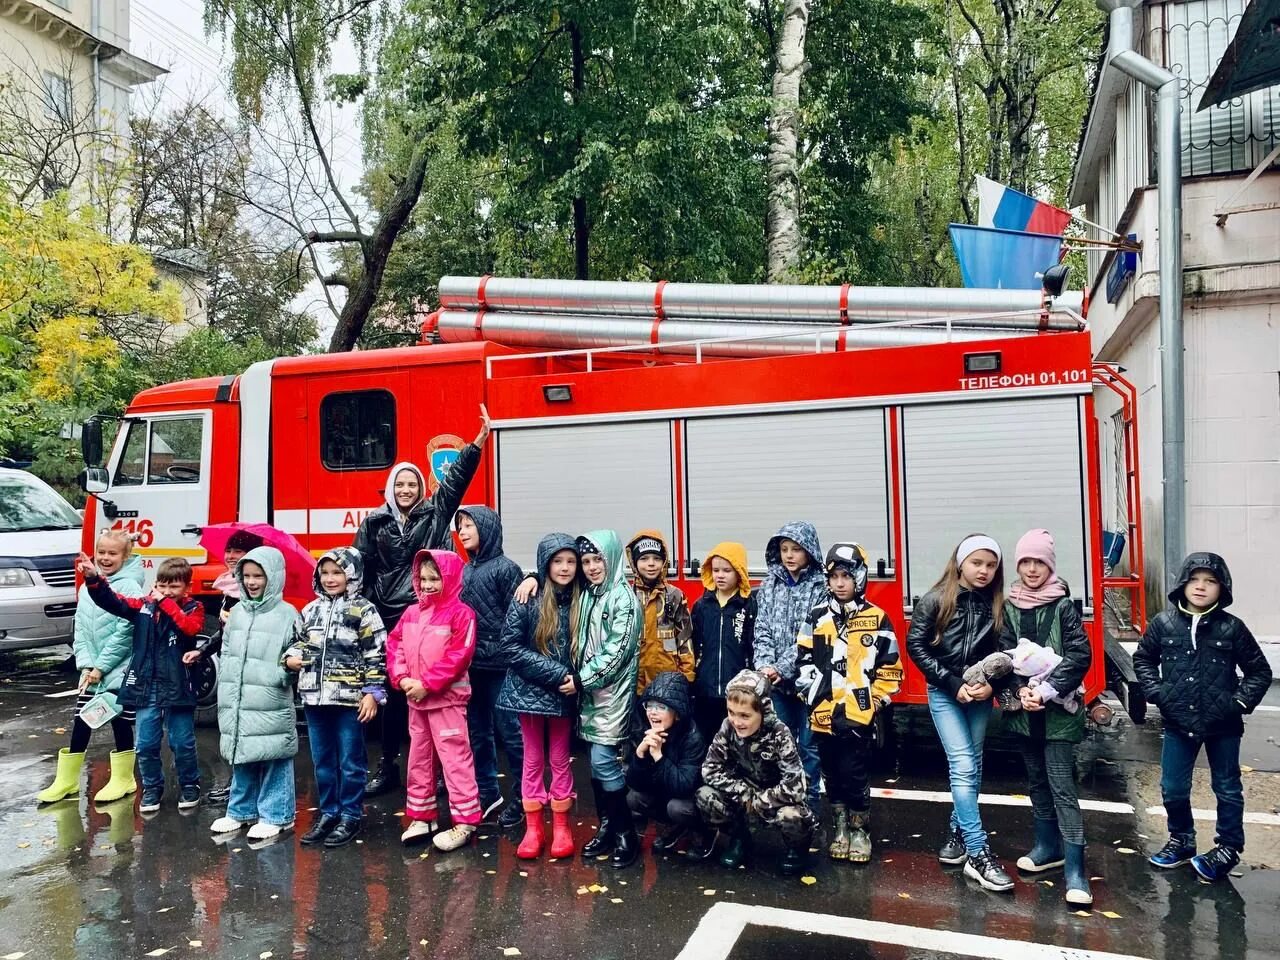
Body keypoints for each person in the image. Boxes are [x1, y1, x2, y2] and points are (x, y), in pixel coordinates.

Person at [352, 406, 491, 797]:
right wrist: (362, 612)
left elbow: (457, 480)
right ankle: (389, 765)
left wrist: (477, 443)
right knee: (394, 698)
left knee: (435, 692)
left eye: (412, 484)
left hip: (430, 614)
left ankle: (443, 771)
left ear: (421, 488)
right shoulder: (373, 523)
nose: (406, 491)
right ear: (390, 489)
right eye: (400, 486)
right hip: (387, 616)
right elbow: (359, 566)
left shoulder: (436, 511)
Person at [1134, 551, 1272, 882]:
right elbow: (1143, 660)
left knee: (1226, 787)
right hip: (1178, 723)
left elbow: (1259, 671)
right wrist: (1158, 694)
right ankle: (1181, 840)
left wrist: (1237, 703)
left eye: (1210, 581)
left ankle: (1228, 848)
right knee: (1172, 788)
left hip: (1223, 725)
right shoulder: (1163, 624)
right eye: (1194, 579)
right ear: (1182, 584)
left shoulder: (1232, 628)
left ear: (1221, 589)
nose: (1200, 586)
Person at [905, 533, 1013, 892]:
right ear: (960, 563)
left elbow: (1007, 655)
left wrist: (991, 687)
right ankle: (979, 853)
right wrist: (953, 684)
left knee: (975, 764)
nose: (984, 571)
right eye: (976, 563)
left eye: (991, 564)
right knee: (964, 765)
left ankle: (957, 832)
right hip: (945, 692)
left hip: (980, 693)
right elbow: (916, 646)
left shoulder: (999, 605)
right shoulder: (937, 599)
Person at [998, 529, 1094, 904]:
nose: (1032, 569)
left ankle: (1075, 869)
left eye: (1039, 562)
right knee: (1036, 782)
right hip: (1024, 714)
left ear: (1050, 566)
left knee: (1062, 787)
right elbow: (1004, 656)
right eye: (1025, 562)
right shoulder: (1009, 607)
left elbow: (1079, 656)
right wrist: (1019, 692)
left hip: (1058, 715)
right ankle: (1046, 847)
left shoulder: (1063, 607)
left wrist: (1046, 690)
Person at [796, 543, 902, 864]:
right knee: (832, 775)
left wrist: (873, 704)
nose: (840, 583)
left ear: (860, 578)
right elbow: (802, 662)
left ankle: (860, 831)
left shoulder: (877, 618)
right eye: (834, 577)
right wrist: (814, 698)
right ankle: (839, 827)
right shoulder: (816, 617)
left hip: (858, 717)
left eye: (847, 576)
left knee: (855, 775)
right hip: (824, 715)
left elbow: (890, 668)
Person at [77, 554, 205, 814]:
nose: (166, 592)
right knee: (145, 743)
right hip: (146, 685)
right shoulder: (144, 606)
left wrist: (166, 603)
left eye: (174, 587)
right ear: (154, 583)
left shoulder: (194, 608)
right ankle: (151, 787)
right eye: (161, 586)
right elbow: (114, 602)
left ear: (187, 588)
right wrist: (94, 578)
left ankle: (190, 784)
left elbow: (189, 628)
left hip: (178, 685)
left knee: (182, 742)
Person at [285, 547, 387, 848]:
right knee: (323, 761)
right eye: (325, 573)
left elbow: (376, 654)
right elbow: (299, 644)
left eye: (337, 572)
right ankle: (329, 812)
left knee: (350, 760)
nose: (330, 579)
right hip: (315, 699)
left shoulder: (364, 610)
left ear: (351, 574)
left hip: (348, 700)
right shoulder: (310, 610)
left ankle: (350, 815)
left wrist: (372, 692)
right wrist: (290, 658)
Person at [38, 529, 145, 805]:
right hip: (93, 671)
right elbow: (82, 630)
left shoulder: (130, 588)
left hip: (120, 670)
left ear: (126, 556)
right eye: (102, 552)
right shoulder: (88, 587)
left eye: (112, 553)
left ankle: (124, 779)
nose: (105, 558)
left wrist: (101, 666)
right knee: (82, 720)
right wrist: (86, 665)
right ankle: (67, 780)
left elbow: (126, 633)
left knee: (120, 721)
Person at [388, 550, 483, 851]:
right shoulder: (411, 613)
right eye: (423, 579)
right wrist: (402, 679)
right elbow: (395, 645)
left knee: (455, 761)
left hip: (446, 701)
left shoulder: (461, 614)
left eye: (435, 579)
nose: (427, 585)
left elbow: (458, 656)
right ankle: (422, 815)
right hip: (417, 701)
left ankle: (465, 821)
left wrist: (427, 685)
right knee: (419, 759)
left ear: (450, 579)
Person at [496, 534, 582, 860]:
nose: (564, 568)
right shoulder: (527, 598)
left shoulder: (581, 598)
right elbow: (511, 647)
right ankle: (534, 829)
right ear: (545, 563)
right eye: (557, 561)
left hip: (564, 696)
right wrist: (557, 674)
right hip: (531, 693)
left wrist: (577, 680)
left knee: (560, 760)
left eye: (570, 561)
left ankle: (561, 827)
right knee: (533, 760)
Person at [209, 547, 301, 841]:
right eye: (246, 575)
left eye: (258, 576)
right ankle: (240, 810)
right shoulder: (236, 611)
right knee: (242, 755)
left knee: (275, 757)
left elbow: (298, 649)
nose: (251, 581)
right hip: (238, 697)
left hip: (270, 697)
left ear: (272, 577)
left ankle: (278, 815)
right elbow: (226, 650)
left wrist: (283, 671)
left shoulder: (287, 614)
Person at [696, 669, 815, 875]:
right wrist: (742, 791)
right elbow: (709, 769)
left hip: (776, 798)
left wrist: (761, 799)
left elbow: (796, 787)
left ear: (764, 711)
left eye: (745, 715)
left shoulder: (779, 733)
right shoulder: (728, 727)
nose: (736, 721)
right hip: (744, 794)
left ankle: (797, 850)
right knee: (705, 797)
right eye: (731, 712)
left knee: (793, 816)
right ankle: (739, 838)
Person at [573, 531, 643, 868]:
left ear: (611, 558)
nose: (590, 567)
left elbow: (617, 654)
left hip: (612, 694)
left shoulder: (625, 600)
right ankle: (608, 827)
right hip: (588, 697)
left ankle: (626, 833)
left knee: (603, 761)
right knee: (595, 765)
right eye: (586, 561)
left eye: (597, 559)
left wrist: (580, 679)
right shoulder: (588, 595)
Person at [455, 505, 526, 830]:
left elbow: (520, 617)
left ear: (487, 528)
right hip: (473, 668)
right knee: (477, 734)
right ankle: (488, 794)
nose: (463, 531)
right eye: (461, 526)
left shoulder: (505, 569)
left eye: (469, 525)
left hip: (501, 668)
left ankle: (526, 797)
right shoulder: (467, 570)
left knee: (511, 734)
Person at [184, 529, 266, 806]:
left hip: (249, 673)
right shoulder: (230, 588)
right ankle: (238, 785)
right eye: (229, 550)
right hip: (232, 670)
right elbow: (225, 632)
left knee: (246, 733)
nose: (230, 556)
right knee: (232, 732)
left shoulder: (251, 593)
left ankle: (244, 789)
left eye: (238, 551)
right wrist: (203, 650)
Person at [751, 521, 825, 813]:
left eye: (796, 549)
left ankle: (810, 806)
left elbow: (814, 634)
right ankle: (784, 804)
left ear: (809, 551)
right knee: (781, 745)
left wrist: (781, 667)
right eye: (784, 549)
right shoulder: (770, 583)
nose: (790, 555)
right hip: (777, 684)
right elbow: (763, 628)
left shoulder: (821, 586)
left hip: (809, 682)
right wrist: (765, 666)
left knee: (809, 746)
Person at [626, 671, 713, 858]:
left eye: (662, 707)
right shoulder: (644, 729)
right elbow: (635, 782)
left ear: (677, 713)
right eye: (650, 705)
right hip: (664, 792)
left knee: (678, 808)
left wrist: (658, 756)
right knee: (634, 798)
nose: (653, 712)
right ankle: (673, 827)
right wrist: (640, 754)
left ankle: (703, 832)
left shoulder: (692, 737)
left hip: (690, 799)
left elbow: (684, 786)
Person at [691, 543, 756, 746]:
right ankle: (707, 777)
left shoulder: (748, 606)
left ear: (739, 572)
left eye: (727, 570)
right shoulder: (702, 606)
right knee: (706, 741)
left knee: (736, 743)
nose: (720, 575)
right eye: (716, 570)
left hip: (737, 691)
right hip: (706, 691)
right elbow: (693, 644)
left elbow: (753, 645)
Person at [625, 530, 694, 693]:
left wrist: (687, 676)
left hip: (668, 681)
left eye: (657, 558)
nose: (651, 564)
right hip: (634, 684)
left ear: (664, 561)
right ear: (634, 563)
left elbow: (685, 639)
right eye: (644, 558)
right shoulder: (627, 596)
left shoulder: (675, 595)